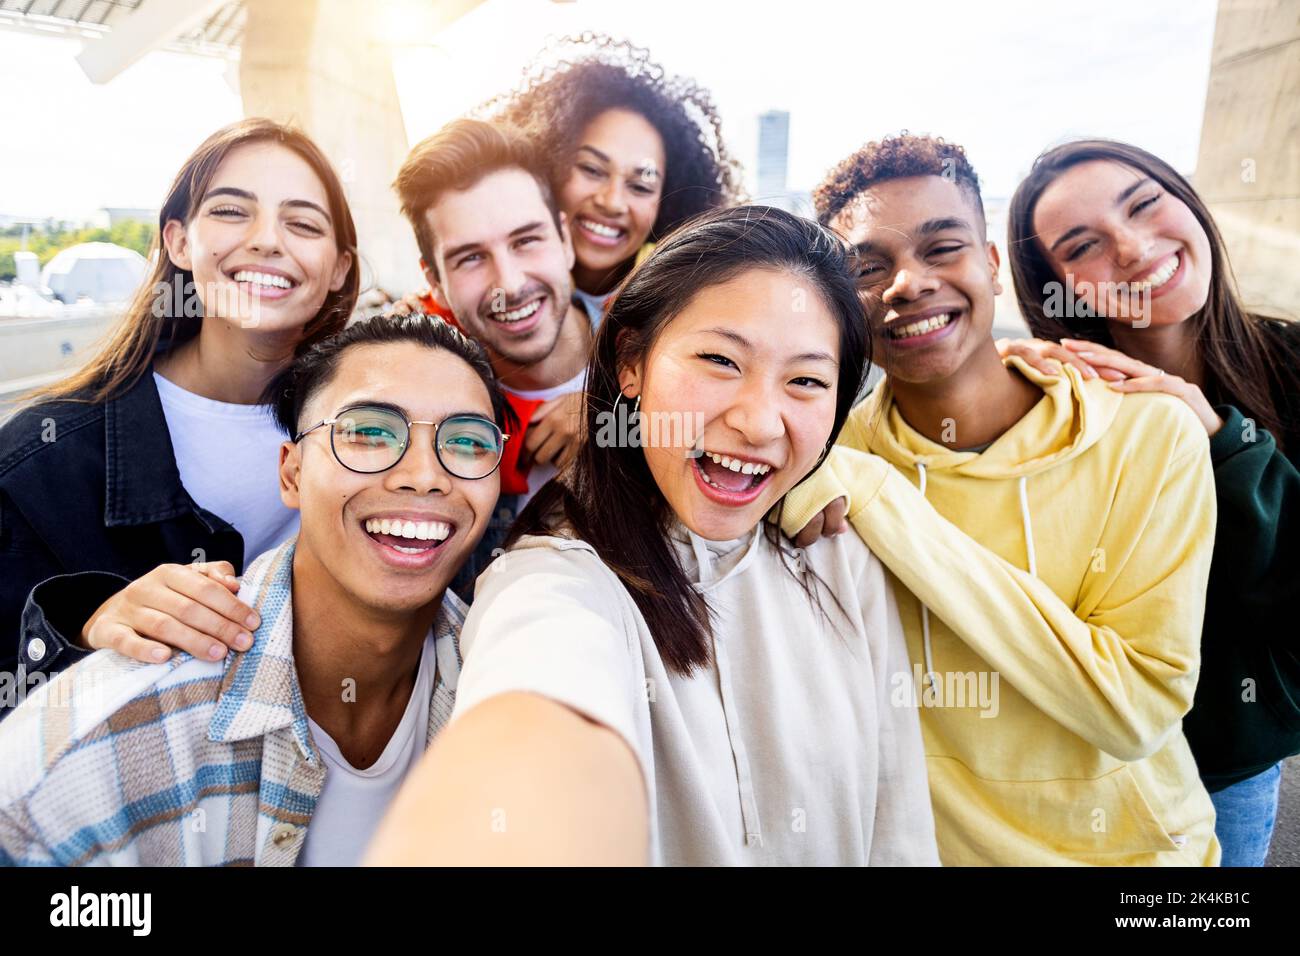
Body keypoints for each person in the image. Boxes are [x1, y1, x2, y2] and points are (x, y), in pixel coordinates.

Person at [367, 205, 938, 867]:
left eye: (806, 381)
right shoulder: (557, 576)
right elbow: (538, 711)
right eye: (721, 360)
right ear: (631, 361)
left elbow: (900, 830)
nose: (758, 422)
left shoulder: (841, 553)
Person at [785, 134, 1219, 865]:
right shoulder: (824, 464)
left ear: (990, 266)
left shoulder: (1150, 435)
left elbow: (1136, 706)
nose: (907, 284)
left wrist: (884, 501)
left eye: (942, 248)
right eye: (869, 266)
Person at [0, 314, 507, 865]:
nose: (423, 475)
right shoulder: (88, 750)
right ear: (291, 474)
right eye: (367, 432)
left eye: (466, 441)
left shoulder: (509, 688)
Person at [1002, 139, 1300, 866]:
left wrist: (1222, 442)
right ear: (1058, 287)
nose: (1133, 248)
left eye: (1143, 205)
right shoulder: (1054, 402)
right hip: (1079, 770)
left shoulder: (1289, 362)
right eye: (1085, 245)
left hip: (1224, 771)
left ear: (1187, 200)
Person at [0, 120, 361, 705]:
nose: (268, 240)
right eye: (230, 211)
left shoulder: (378, 433)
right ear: (178, 242)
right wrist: (84, 630)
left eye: (302, 223)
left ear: (340, 268)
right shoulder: (39, 467)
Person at [392, 118, 595, 594]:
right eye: (470, 258)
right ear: (435, 280)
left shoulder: (658, 353)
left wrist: (616, 410)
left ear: (564, 239)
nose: (509, 283)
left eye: (526, 240)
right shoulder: (406, 391)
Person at [482, 33, 741, 325]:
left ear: (668, 202)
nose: (612, 201)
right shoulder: (485, 295)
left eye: (641, 186)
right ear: (546, 165)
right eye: (592, 170)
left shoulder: (678, 313)